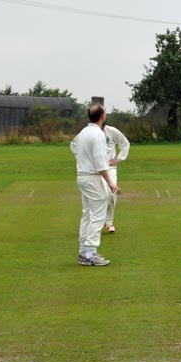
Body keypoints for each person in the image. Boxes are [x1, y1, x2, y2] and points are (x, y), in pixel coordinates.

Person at [71, 104, 120, 266]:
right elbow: (100, 163)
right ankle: (90, 253)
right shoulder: (98, 134)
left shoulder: (83, 132)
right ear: (102, 116)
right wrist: (111, 183)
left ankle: (83, 252)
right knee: (98, 216)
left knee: (88, 213)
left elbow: (75, 148)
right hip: (92, 178)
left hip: (83, 177)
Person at [101, 123, 129, 233]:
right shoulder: (89, 132)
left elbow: (125, 144)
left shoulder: (112, 131)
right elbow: (74, 144)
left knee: (112, 193)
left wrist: (118, 159)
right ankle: (100, 220)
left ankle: (109, 222)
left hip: (110, 167)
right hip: (95, 169)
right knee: (99, 195)